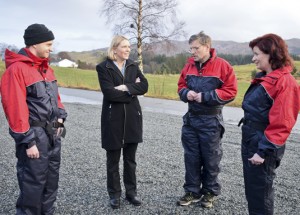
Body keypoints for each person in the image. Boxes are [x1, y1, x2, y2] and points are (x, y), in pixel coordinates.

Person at [0, 23, 67, 215]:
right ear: (34, 44)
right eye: (48, 44)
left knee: (51, 181)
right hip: (34, 136)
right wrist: (28, 142)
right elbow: (15, 109)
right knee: (33, 184)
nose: (51, 48)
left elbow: (57, 100)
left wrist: (60, 121)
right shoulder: (17, 70)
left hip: (52, 135)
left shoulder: (47, 69)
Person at [240, 33, 300, 215]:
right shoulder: (265, 78)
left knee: (261, 193)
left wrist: (262, 151)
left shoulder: (284, 82)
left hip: (262, 145)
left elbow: (283, 123)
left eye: (257, 54)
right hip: (252, 140)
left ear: (271, 53)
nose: (253, 58)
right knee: (253, 191)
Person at [177, 31, 237, 208]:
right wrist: (187, 93)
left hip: (211, 121)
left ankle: (210, 192)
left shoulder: (222, 66)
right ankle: (192, 192)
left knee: (211, 158)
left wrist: (206, 97)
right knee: (191, 158)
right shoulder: (189, 66)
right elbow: (181, 86)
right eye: (191, 48)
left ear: (207, 47)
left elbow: (231, 91)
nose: (192, 52)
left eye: (196, 48)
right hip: (191, 120)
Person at [96, 35, 148, 209]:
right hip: (113, 120)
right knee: (113, 161)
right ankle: (114, 195)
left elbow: (145, 86)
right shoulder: (103, 67)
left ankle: (131, 193)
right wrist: (133, 92)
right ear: (115, 49)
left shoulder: (133, 65)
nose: (128, 50)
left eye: (129, 47)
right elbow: (109, 93)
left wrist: (126, 88)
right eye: (124, 46)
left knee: (130, 160)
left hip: (133, 119)